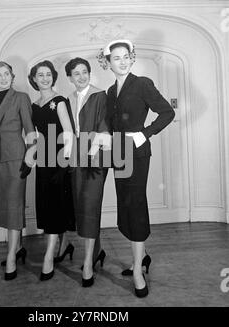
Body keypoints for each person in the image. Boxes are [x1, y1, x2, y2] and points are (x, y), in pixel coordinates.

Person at [100, 39, 175, 297]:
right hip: (118, 154)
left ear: (132, 59)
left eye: (125, 57)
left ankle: (137, 271)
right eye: (115, 58)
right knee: (126, 205)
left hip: (137, 154)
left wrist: (145, 133)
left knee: (136, 204)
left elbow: (167, 112)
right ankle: (140, 258)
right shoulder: (111, 91)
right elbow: (111, 124)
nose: (121, 61)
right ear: (108, 63)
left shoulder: (142, 83)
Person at [65, 57, 112, 287]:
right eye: (76, 73)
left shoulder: (100, 95)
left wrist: (93, 155)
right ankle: (97, 252)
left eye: (85, 72)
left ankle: (86, 264)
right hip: (76, 160)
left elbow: (104, 127)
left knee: (91, 205)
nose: (81, 76)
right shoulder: (69, 99)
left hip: (95, 159)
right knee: (82, 206)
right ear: (70, 78)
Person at [0, 61, 36, 281]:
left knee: (14, 204)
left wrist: (30, 155)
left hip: (17, 158)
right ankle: (17, 249)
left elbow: (30, 130)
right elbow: (0, 126)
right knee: (6, 204)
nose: (3, 77)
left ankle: (11, 258)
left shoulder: (21, 98)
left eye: (7, 74)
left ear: (12, 76)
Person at [28, 60, 76, 281]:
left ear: (53, 77)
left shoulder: (59, 102)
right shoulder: (34, 105)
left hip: (59, 161)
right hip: (44, 161)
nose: (45, 78)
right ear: (34, 79)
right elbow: (38, 135)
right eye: (40, 75)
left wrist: (64, 164)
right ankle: (64, 245)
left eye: (48, 74)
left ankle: (49, 257)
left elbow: (68, 133)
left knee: (56, 207)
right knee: (49, 206)